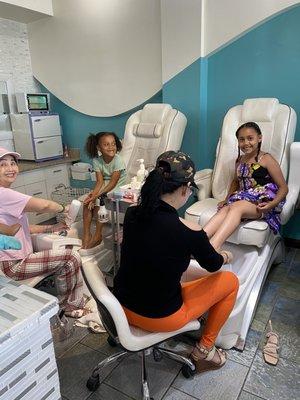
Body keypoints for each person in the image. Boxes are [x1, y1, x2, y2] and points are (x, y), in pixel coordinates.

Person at [113, 151, 239, 373]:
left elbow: (160, 241)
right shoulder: (189, 232)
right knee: (230, 281)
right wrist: (226, 256)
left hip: (119, 308)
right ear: (184, 189)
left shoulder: (132, 214)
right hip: (160, 317)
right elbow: (213, 264)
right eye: (190, 190)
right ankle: (205, 350)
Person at [0, 147, 89, 317]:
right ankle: (71, 307)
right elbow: (45, 206)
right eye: (3, 165)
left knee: (62, 253)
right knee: (71, 256)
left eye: (13, 163)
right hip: (13, 265)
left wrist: (51, 228)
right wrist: (64, 207)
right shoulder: (3, 194)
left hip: (12, 260)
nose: (10, 168)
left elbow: (24, 229)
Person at [203, 122, 288, 250]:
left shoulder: (266, 159)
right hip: (244, 198)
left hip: (264, 202)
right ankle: (199, 241)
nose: (246, 143)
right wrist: (226, 200)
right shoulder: (239, 160)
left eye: (250, 138)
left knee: (236, 207)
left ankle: (213, 246)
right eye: (241, 139)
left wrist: (271, 205)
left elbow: (283, 188)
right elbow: (236, 182)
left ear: (259, 138)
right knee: (225, 209)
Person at [82, 132, 126, 248]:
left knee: (99, 201)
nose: (111, 147)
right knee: (87, 201)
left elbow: (113, 183)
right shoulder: (97, 161)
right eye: (106, 145)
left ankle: (97, 235)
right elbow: (99, 182)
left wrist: (96, 197)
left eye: (113, 144)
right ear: (98, 147)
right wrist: (92, 196)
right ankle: (86, 234)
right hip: (105, 183)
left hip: (117, 185)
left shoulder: (118, 160)